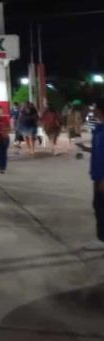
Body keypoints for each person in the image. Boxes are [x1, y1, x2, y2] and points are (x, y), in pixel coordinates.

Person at [76, 99, 104, 251]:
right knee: (98, 205)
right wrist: (85, 149)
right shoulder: (99, 128)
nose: (92, 112)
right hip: (97, 175)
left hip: (102, 177)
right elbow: (98, 150)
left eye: (95, 109)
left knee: (100, 207)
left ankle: (102, 239)